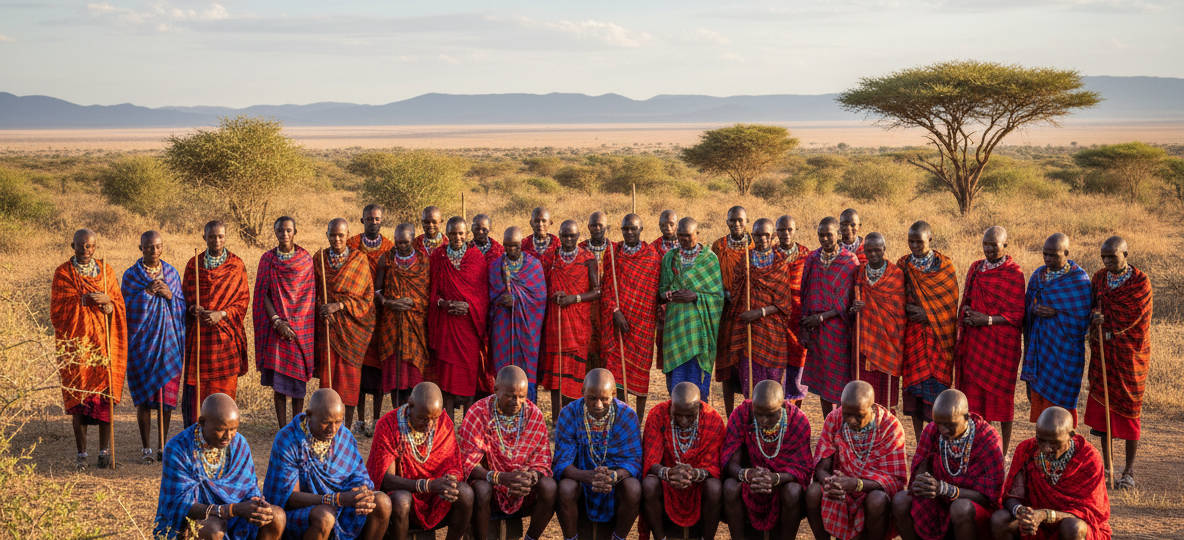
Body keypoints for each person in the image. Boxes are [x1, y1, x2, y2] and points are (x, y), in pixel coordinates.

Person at [263, 389, 391, 540]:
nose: (333, 429)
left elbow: (359, 474)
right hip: (303, 513)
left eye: (338, 422)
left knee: (382, 502)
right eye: (325, 423)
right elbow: (289, 498)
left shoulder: (344, 435)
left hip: (343, 505)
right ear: (309, 416)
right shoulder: (288, 439)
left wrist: (362, 493)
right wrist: (335, 499)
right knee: (325, 516)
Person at [154, 394, 286, 540]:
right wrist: (230, 509)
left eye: (233, 429)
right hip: (195, 520)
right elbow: (181, 505)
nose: (228, 436)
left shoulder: (239, 443)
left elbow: (249, 488)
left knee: (276, 516)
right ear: (202, 422)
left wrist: (258, 504)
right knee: (214, 529)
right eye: (220, 429)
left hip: (236, 516)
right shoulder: (178, 448)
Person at [52, 228, 128, 470]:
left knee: (104, 400)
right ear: (72, 245)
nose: (85, 250)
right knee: (78, 402)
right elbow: (57, 311)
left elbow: (118, 306)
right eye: (81, 246)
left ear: (95, 247)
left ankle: (104, 451)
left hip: (103, 346)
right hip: (77, 348)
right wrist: (82, 301)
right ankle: (82, 453)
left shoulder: (106, 271)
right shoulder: (63, 273)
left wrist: (108, 305)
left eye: (90, 246)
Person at [1086, 236, 1152, 490]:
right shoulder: (1099, 278)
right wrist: (1095, 318)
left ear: (1125, 254)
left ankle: (1129, 470)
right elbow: (1091, 309)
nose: (1107, 261)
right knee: (1105, 414)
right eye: (1104, 256)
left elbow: (1139, 319)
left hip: (1130, 357)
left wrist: (1111, 329)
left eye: (1112, 256)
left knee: (1130, 411)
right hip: (1103, 354)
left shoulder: (1140, 282)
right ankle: (1109, 468)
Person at [893, 390, 1005, 540]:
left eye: (950, 425)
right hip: (939, 502)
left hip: (974, 509)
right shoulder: (932, 431)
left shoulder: (987, 439)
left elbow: (989, 498)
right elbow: (919, 472)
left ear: (966, 418)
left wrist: (944, 489)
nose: (944, 430)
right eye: (939, 424)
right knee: (900, 501)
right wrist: (923, 483)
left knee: (960, 508)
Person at [367, 382, 473, 540]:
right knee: (401, 500)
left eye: (434, 419)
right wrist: (427, 485)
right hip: (404, 497)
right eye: (423, 418)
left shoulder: (444, 423)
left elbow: (453, 465)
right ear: (410, 406)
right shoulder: (388, 425)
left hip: (435, 495)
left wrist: (448, 482)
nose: (429, 425)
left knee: (465, 492)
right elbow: (385, 480)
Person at [461, 366, 557, 540]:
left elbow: (543, 460)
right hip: (489, 483)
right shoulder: (479, 412)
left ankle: (531, 538)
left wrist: (531, 478)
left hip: (522, 488)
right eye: (510, 396)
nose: (517, 401)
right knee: (481, 490)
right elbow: (468, 463)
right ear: (496, 389)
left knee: (549, 487)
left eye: (522, 396)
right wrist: (500, 478)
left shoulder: (533, 414)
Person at [806, 381, 908, 540]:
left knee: (877, 500)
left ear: (872, 407)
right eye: (847, 414)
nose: (852, 421)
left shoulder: (890, 426)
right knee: (813, 492)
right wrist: (830, 482)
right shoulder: (835, 417)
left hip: (871, 493)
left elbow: (894, 481)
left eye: (859, 416)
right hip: (842, 491)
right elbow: (822, 464)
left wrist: (856, 484)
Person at [954, 226, 1026, 453]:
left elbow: (1017, 314)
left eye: (994, 245)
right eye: (985, 244)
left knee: (1001, 399)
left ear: (1005, 245)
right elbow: (968, 298)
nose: (988, 249)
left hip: (1001, 345)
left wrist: (988, 320)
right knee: (975, 399)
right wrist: (966, 314)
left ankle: (1002, 452)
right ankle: (978, 447)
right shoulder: (976, 268)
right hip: (975, 342)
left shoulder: (1014, 273)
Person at [990, 407, 1111, 540]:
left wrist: (1046, 515)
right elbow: (1012, 496)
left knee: (1073, 527)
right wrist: (1021, 512)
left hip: (1069, 523)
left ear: (1071, 435)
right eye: (1041, 440)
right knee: (1000, 519)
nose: (1047, 448)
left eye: (1055, 443)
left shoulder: (1088, 458)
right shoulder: (1027, 450)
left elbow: (1089, 513)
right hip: (1035, 524)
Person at [554, 369, 643, 540]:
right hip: (581, 482)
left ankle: (618, 538)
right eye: (592, 398)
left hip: (615, 483)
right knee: (565, 489)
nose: (598, 405)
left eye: (605, 399)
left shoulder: (627, 415)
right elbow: (561, 463)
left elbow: (634, 461)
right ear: (583, 393)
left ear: (614, 394)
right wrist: (587, 477)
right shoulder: (569, 413)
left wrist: (615, 475)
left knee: (633, 488)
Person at [721, 380, 814, 540]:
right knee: (729, 487)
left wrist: (775, 478)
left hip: (782, 484)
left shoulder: (797, 421)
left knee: (794, 491)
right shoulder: (743, 413)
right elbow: (730, 461)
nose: (763, 420)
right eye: (759, 414)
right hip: (750, 483)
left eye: (770, 415)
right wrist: (748, 475)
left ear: (782, 407)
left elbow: (803, 470)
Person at [123, 230, 186, 465]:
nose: (154, 250)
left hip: (168, 344)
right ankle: (146, 447)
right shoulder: (131, 275)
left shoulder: (171, 272)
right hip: (142, 346)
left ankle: (162, 446)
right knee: (144, 401)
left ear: (162, 247)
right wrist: (147, 292)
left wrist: (170, 294)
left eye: (158, 246)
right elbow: (125, 308)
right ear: (140, 248)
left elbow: (181, 305)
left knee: (166, 402)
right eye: (149, 247)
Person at [182, 220, 250, 426]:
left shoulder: (236, 265)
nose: (217, 240)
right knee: (198, 394)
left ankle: (224, 431)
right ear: (205, 238)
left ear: (225, 237)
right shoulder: (194, 265)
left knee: (225, 391)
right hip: (200, 338)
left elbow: (243, 301)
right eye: (212, 236)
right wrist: (193, 308)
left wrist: (221, 314)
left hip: (225, 338)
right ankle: (197, 434)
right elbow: (185, 297)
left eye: (220, 236)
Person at [897, 221, 959, 440]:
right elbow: (896, 296)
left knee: (939, 389)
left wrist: (928, 315)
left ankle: (938, 438)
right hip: (913, 335)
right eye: (911, 241)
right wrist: (907, 308)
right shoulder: (903, 264)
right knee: (914, 390)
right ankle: (919, 438)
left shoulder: (945, 265)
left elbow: (951, 305)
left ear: (930, 240)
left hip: (938, 337)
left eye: (919, 241)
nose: (914, 245)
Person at [723, 219, 796, 401]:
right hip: (750, 333)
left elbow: (784, 303)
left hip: (773, 334)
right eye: (758, 235)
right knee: (752, 387)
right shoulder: (744, 261)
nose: (762, 238)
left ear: (772, 236)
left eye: (766, 235)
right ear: (752, 236)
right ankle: (752, 422)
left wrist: (758, 313)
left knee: (774, 389)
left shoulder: (780, 263)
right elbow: (736, 296)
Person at [314, 218, 377, 430]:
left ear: (347, 235)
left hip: (352, 331)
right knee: (328, 380)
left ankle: (346, 428)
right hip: (328, 329)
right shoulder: (320, 259)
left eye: (341, 235)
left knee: (350, 382)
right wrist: (323, 309)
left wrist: (339, 306)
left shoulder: (359, 259)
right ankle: (325, 424)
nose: (337, 239)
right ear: (327, 235)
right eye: (333, 235)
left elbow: (366, 299)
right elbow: (313, 292)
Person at [253, 217, 316, 429]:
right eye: (280, 230)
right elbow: (264, 294)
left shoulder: (305, 259)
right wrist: (277, 321)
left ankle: (296, 426)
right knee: (279, 385)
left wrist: (294, 326)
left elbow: (308, 296)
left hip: (300, 328)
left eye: (288, 230)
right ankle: (282, 428)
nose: (285, 234)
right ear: (275, 232)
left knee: (298, 384)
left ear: (295, 231)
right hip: (277, 328)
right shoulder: (267, 259)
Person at [1023, 234, 1092, 426]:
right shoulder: (1038, 275)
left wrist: (1057, 312)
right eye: (1045, 254)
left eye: (1052, 255)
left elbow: (1082, 317)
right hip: (1042, 350)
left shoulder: (1079, 279)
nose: (1047, 259)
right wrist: (1035, 309)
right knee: (1041, 406)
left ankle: (1064, 438)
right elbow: (1027, 305)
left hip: (1066, 352)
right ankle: (1043, 438)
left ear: (1066, 253)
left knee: (1063, 406)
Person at [641, 382, 724, 540]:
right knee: (649, 485)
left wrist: (693, 474)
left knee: (715, 488)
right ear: (671, 406)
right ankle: (660, 538)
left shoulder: (713, 420)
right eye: (678, 414)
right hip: (667, 482)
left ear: (699, 408)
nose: (684, 421)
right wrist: (669, 473)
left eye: (690, 416)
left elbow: (714, 466)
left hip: (698, 482)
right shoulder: (658, 414)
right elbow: (651, 460)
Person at [428, 217, 491, 419]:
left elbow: (482, 295)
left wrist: (468, 306)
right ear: (446, 233)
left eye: (461, 233)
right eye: (453, 233)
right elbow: (433, 292)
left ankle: (467, 424)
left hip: (468, 326)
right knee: (446, 380)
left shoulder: (476, 258)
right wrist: (444, 304)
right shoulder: (438, 256)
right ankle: (447, 424)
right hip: (447, 324)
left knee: (469, 378)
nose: (457, 237)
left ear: (467, 234)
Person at [540, 220, 601, 421]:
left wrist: (573, 298)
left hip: (578, 323)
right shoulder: (551, 256)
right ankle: (557, 420)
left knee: (574, 374)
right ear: (559, 234)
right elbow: (543, 287)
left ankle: (572, 418)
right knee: (557, 374)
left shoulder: (588, 258)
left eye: (572, 236)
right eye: (565, 235)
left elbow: (596, 291)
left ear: (578, 236)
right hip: (556, 322)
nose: (568, 239)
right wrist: (554, 295)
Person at [600, 213, 660, 419]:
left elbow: (652, 291)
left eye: (633, 228)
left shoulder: (651, 255)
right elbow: (607, 286)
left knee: (642, 371)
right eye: (625, 229)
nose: (629, 232)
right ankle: (622, 416)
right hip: (618, 320)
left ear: (641, 229)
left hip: (643, 323)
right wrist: (615, 310)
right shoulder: (613, 253)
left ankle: (639, 420)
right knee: (617, 372)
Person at [659, 217, 724, 398]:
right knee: (676, 384)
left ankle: (700, 415)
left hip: (699, 333)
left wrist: (695, 296)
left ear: (698, 234)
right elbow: (661, 292)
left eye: (688, 235)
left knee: (698, 385)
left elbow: (718, 298)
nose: (683, 239)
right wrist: (669, 295)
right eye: (680, 235)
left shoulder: (709, 260)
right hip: (675, 330)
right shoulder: (670, 258)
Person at [800, 217, 859, 416]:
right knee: (823, 382)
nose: (825, 239)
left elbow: (848, 301)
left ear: (838, 235)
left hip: (838, 330)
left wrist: (822, 317)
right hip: (817, 332)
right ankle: (828, 425)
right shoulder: (813, 258)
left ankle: (843, 423)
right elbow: (806, 291)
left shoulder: (849, 260)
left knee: (841, 383)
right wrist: (808, 324)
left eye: (829, 235)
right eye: (821, 235)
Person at [348, 204, 395, 437]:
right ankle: (359, 420)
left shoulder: (389, 248)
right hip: (356, 315)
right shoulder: (352, 245)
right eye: (369, 219)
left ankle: (376, 419)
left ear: (381, 221)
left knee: (376, 370)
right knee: (359, 367)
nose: (373, 223)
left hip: (380, 315)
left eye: (377, 219)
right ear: (362, 220)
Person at [488, 227, 547, 402]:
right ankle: (502, 406)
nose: (510, 249)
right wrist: (500, 300)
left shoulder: (533, 265)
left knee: (527, 368)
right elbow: (489, 297)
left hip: (527, 327)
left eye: (514, 245)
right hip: (502, 325)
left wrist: (518, 300)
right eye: (507, 245)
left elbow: (540, 298)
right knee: (502, 367)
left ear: (521, 244)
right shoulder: (495, 266)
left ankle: (527, 408)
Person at [375, 223, 430, 407]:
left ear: (413, 241)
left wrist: (412, 302)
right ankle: (396, 414)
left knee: (414, 375)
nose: (400, 246)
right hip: (391, 325)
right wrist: (387, 302)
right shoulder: (387, 260)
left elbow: (427, 296)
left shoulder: (423, 262)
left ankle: (413, 413)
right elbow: (376, 291)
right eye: (397, 242)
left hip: (415, 326)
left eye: (405, 242)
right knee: (395, 378)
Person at [848, 233, 905, 411]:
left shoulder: (895, 275)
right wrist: (854, 308)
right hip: (863, 341)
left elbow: (899, 311)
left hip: (887, 343)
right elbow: (849, 305)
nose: (873, 254)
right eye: (869, 250)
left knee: (885, 399)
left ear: (884, 249)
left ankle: (886, 430)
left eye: (877, 250)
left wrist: (874, 308)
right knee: (862, 395)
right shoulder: (858, 272)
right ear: (864, 251)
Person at [711, 206, 753, 415]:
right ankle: (729, 417)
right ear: (726, 221)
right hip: (725, 314)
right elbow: (711, 278)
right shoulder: (718, 246)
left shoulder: (756, 246)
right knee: (726, 367)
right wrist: (723, 295)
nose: (736, 224)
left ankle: (747, 414)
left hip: (748, 315)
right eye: (732, 220)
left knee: (747, 364)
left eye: (740, 220)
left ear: (747, 221)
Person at [775, 214, 811, 404]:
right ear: (776, 232)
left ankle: (796, 412)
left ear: (795, 230)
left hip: (798, 319)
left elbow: (811, 287)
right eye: (781, 230)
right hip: (775, 318)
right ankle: (775, 407)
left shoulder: (806, 255)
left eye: (789, 229)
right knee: (775, 366)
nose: (786, 233)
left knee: (797, 367)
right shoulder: (770, 255)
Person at [579, 211, 612, 370]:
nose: (597, 228)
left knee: (606, 346)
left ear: (606, 227)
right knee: (588, 345)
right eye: (594, 225)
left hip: (608, 306)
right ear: (588, 227)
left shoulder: (614, 249)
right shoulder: (581, 249)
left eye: (600, 225)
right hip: (586, 305)